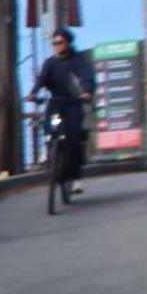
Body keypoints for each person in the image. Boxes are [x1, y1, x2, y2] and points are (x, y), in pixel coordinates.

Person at [31, 27, 94, 196]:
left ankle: (75, 178)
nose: (57, 46)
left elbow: (86, 77)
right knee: (52, 125)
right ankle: (51, 148)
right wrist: (33, 93)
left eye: (60, 43)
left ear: (68, 43)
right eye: (54, 43)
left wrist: (87, 92)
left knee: (74, 138)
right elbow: (42, 79)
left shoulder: (78, 60)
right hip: (57, 103)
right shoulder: (50, 63)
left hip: (73, 104)